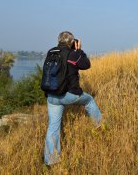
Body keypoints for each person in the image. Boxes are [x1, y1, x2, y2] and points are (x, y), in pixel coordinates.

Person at [44, 31, 102, 166]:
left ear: (59, 41)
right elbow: (86, 64)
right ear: (71, 42)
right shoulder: (73, 54)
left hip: (52, 96)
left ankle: (51, 161)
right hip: (68, 95)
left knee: (53, 128)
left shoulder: (51, 52)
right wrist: (79, 50)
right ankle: (100, 125)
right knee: (89, 100)